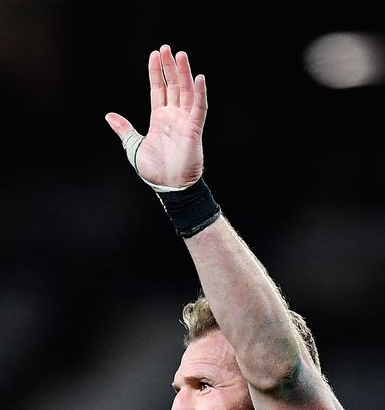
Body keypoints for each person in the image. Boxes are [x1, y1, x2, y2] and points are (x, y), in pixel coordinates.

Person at [105, 44, 345, 410]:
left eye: (203, 385)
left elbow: (280, 372)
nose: (178, 407)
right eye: (178, 389)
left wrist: (186, 199)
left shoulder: (284, 387)